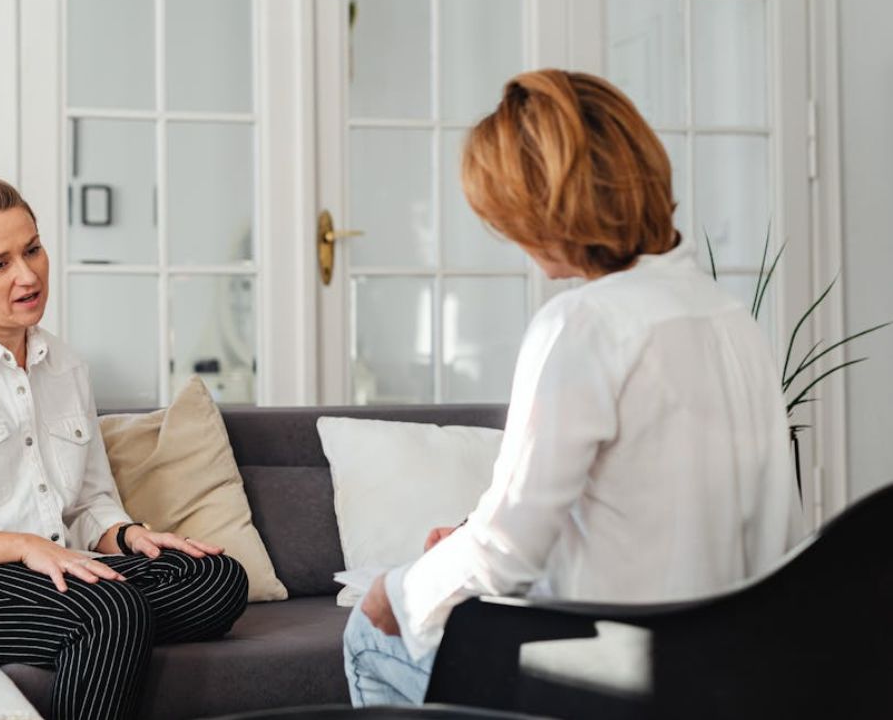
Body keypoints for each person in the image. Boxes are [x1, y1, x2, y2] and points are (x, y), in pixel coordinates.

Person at [343, 69, 805, 706]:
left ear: (547, 206)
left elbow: (508, 552)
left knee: (364, 635)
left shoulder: (582, 324)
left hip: (616, 677)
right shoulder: (732, 321)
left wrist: (397, 589)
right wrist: (475, 534)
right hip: (729, 673)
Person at [0, 173, 248, 720]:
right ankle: (101, 626)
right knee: (110, 610)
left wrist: (128, 534)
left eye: (33, 250)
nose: (27, 275)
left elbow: (90, 502)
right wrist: (21, 545)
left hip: (50, 570)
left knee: (217, 579)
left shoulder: (66, 366)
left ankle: (93, 630)